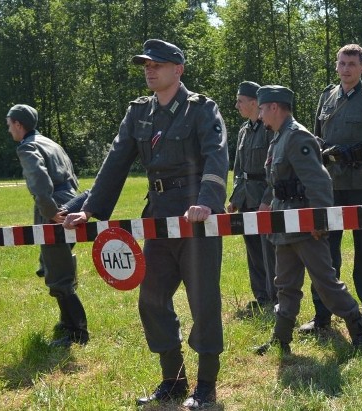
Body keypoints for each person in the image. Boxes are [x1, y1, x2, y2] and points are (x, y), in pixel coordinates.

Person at [63, 39, 228, 409]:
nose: (149, 71)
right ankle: (173, 379)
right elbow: (115, 161)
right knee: (151, 299)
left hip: (194, 219)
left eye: (156, 65)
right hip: (157, 219)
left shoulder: (201, 109)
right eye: (145, 66)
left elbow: (217, 157)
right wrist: (88, 209)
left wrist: (206, 202)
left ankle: (205, 386)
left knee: (203, 301)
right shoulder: (138, 113)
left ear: (178, 69)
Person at [252, 85, 362, 355]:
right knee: (285, 282)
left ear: (274, 107)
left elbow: (319, 182)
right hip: (284, 222)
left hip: (306, 224)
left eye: (261, 109)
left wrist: (319, 221)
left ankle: (359, 331)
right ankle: (281, 338)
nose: (259, 115)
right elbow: (277, 182)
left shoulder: (297, 137)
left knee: (325, 282)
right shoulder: (278, 137)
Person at [298, 44, 362, 334]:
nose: (346, 69)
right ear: (336, 66)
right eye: (342, 63)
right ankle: (322, 315)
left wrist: (356, 152)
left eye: (352, 64)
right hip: (331, 188)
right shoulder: (327, 97)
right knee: (323, 252)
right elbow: (316, 141)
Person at [6, 104, 90, 348]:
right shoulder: (51, 143)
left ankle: (77, 332)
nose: (9, 129)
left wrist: (51, 212)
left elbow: (39, 182)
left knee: (58, 273)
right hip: (70, 201)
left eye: (10, 124)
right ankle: (67, 322)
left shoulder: (28, 146)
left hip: (55, 207)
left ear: (19, 125)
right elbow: (72, 177)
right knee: (58, 264)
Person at [227, 81, 277, 314]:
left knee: (269, 251)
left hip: (264, 199)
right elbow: (238, 170)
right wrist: (235, 198)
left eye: (240, 100)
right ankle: (261, 296)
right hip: (247, 198)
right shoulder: (244, 130)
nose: (236, 105)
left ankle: (275, 297)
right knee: (253, 250)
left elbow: (275, 170)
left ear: (254, 103)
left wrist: (268, 199)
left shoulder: (270, 129)